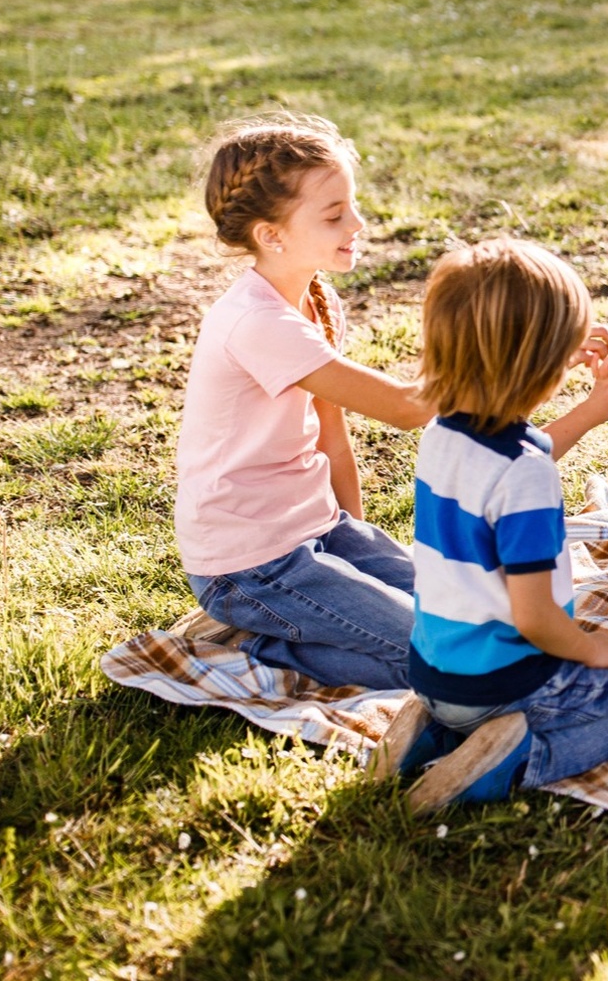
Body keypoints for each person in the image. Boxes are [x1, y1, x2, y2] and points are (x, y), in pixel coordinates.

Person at [374, 239, 608, 810]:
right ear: (539, 364)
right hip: (506, 683)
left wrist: (589, 402)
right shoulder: (526, 477)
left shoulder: (444, 434)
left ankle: (431, 731)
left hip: (438, 674)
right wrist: (589, 648)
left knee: (466, 702)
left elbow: (521, 456)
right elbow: (535, 617)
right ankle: (509, 761)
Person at [174, 114, 434, 690]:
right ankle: (266, 646)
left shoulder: (316, 300)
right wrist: (526, 349)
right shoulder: (258, 322)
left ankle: (310, 623)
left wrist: (354, 547)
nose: (358, 223)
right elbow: (408, 409)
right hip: (250, 565)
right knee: (438, 660)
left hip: (316, 531)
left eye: (353, 206)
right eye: (335, 214)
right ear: (271, 235)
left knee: (463, 616)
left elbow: (331, 438)